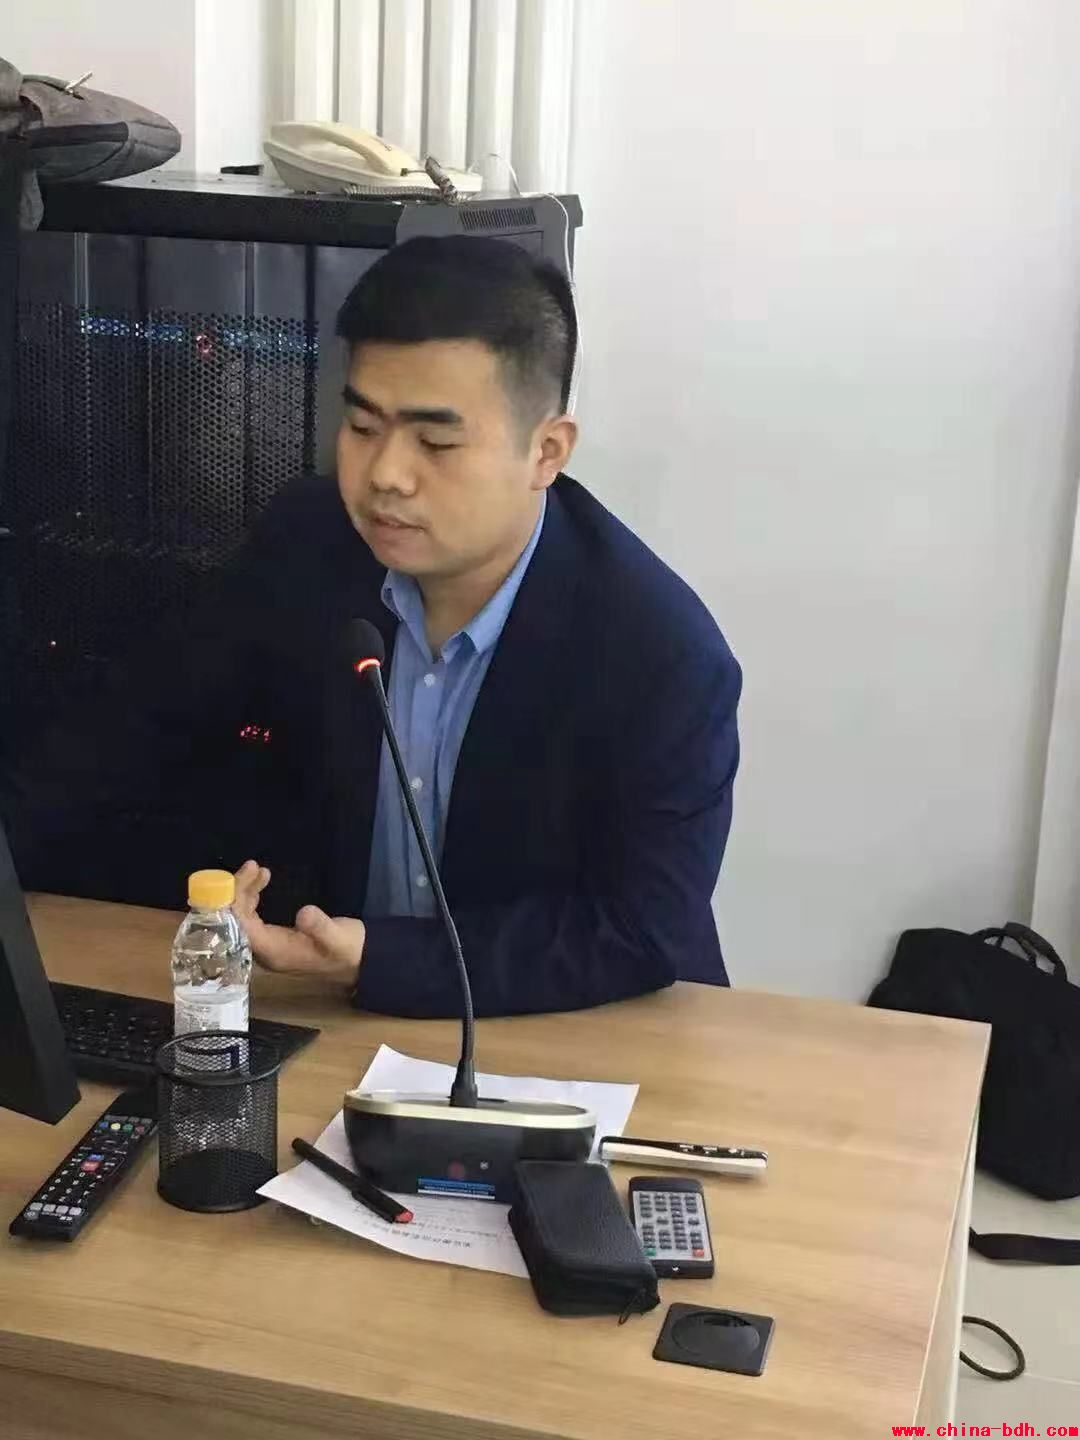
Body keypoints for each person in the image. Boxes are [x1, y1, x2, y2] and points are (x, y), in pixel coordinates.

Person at [7, 237, 742, 1016]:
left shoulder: (660, 654)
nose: (386, 474)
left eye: (435, 442)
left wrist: (383, 959)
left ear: (546, 452)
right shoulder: (308, 545)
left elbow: (641, 928)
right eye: (362, 427)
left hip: (577, 1029)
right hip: (332, 1018)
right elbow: (130, 725)